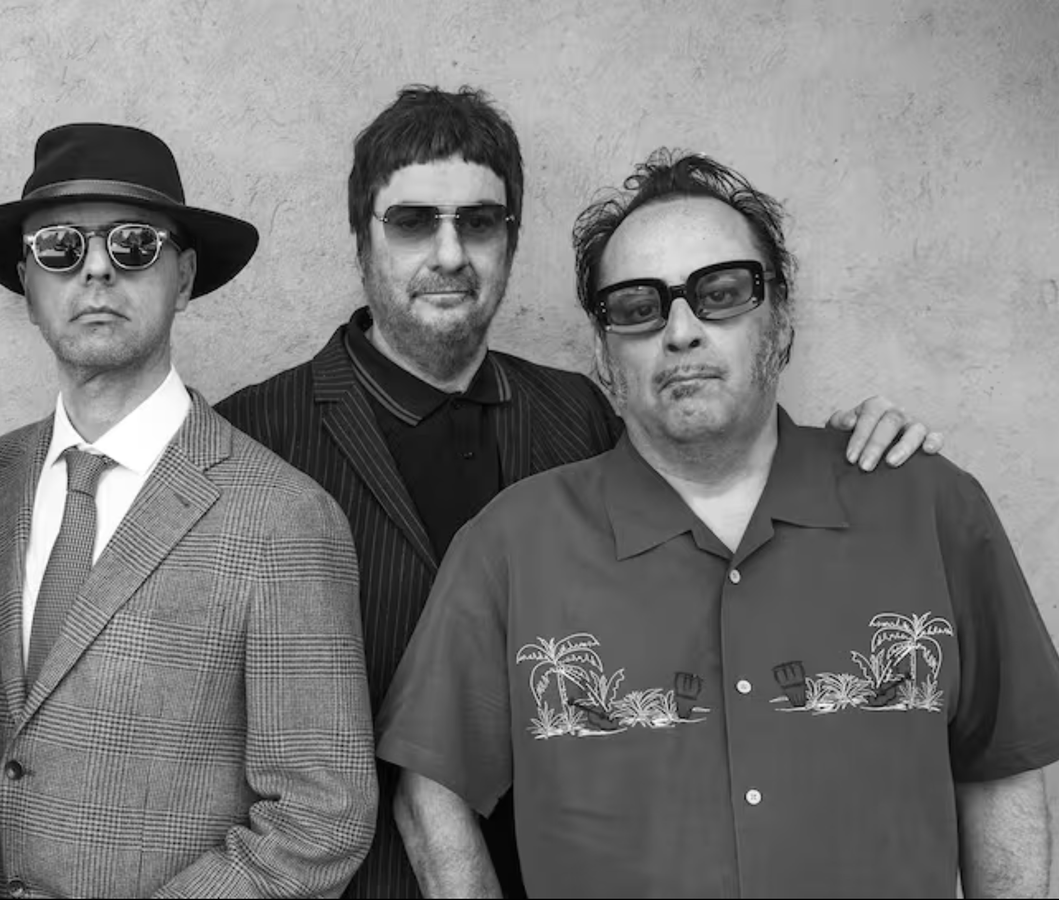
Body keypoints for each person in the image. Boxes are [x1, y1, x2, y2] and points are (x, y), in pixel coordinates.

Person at [212, 86, 943, 898]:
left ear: (510, 241)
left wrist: (848, 448)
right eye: (413, 222)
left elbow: (715, 494)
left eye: (479, 223)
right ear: (361, 239)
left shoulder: (580, 411)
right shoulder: (250, 435)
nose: (450, 254)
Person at [376, 149, 1059, 898]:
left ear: (781, 321)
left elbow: (1002, 768)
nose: (681, 331)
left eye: (722, 293)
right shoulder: (513, 543)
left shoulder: (928, 506)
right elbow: (429, 793)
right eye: (636, 307)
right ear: (602, 353)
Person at [0, 123, 377, 899]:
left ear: (185, 275)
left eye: (135, 244)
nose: (97, 268)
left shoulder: (283, 519)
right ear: (26, 284)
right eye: (59, 248)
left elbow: (321, 819)